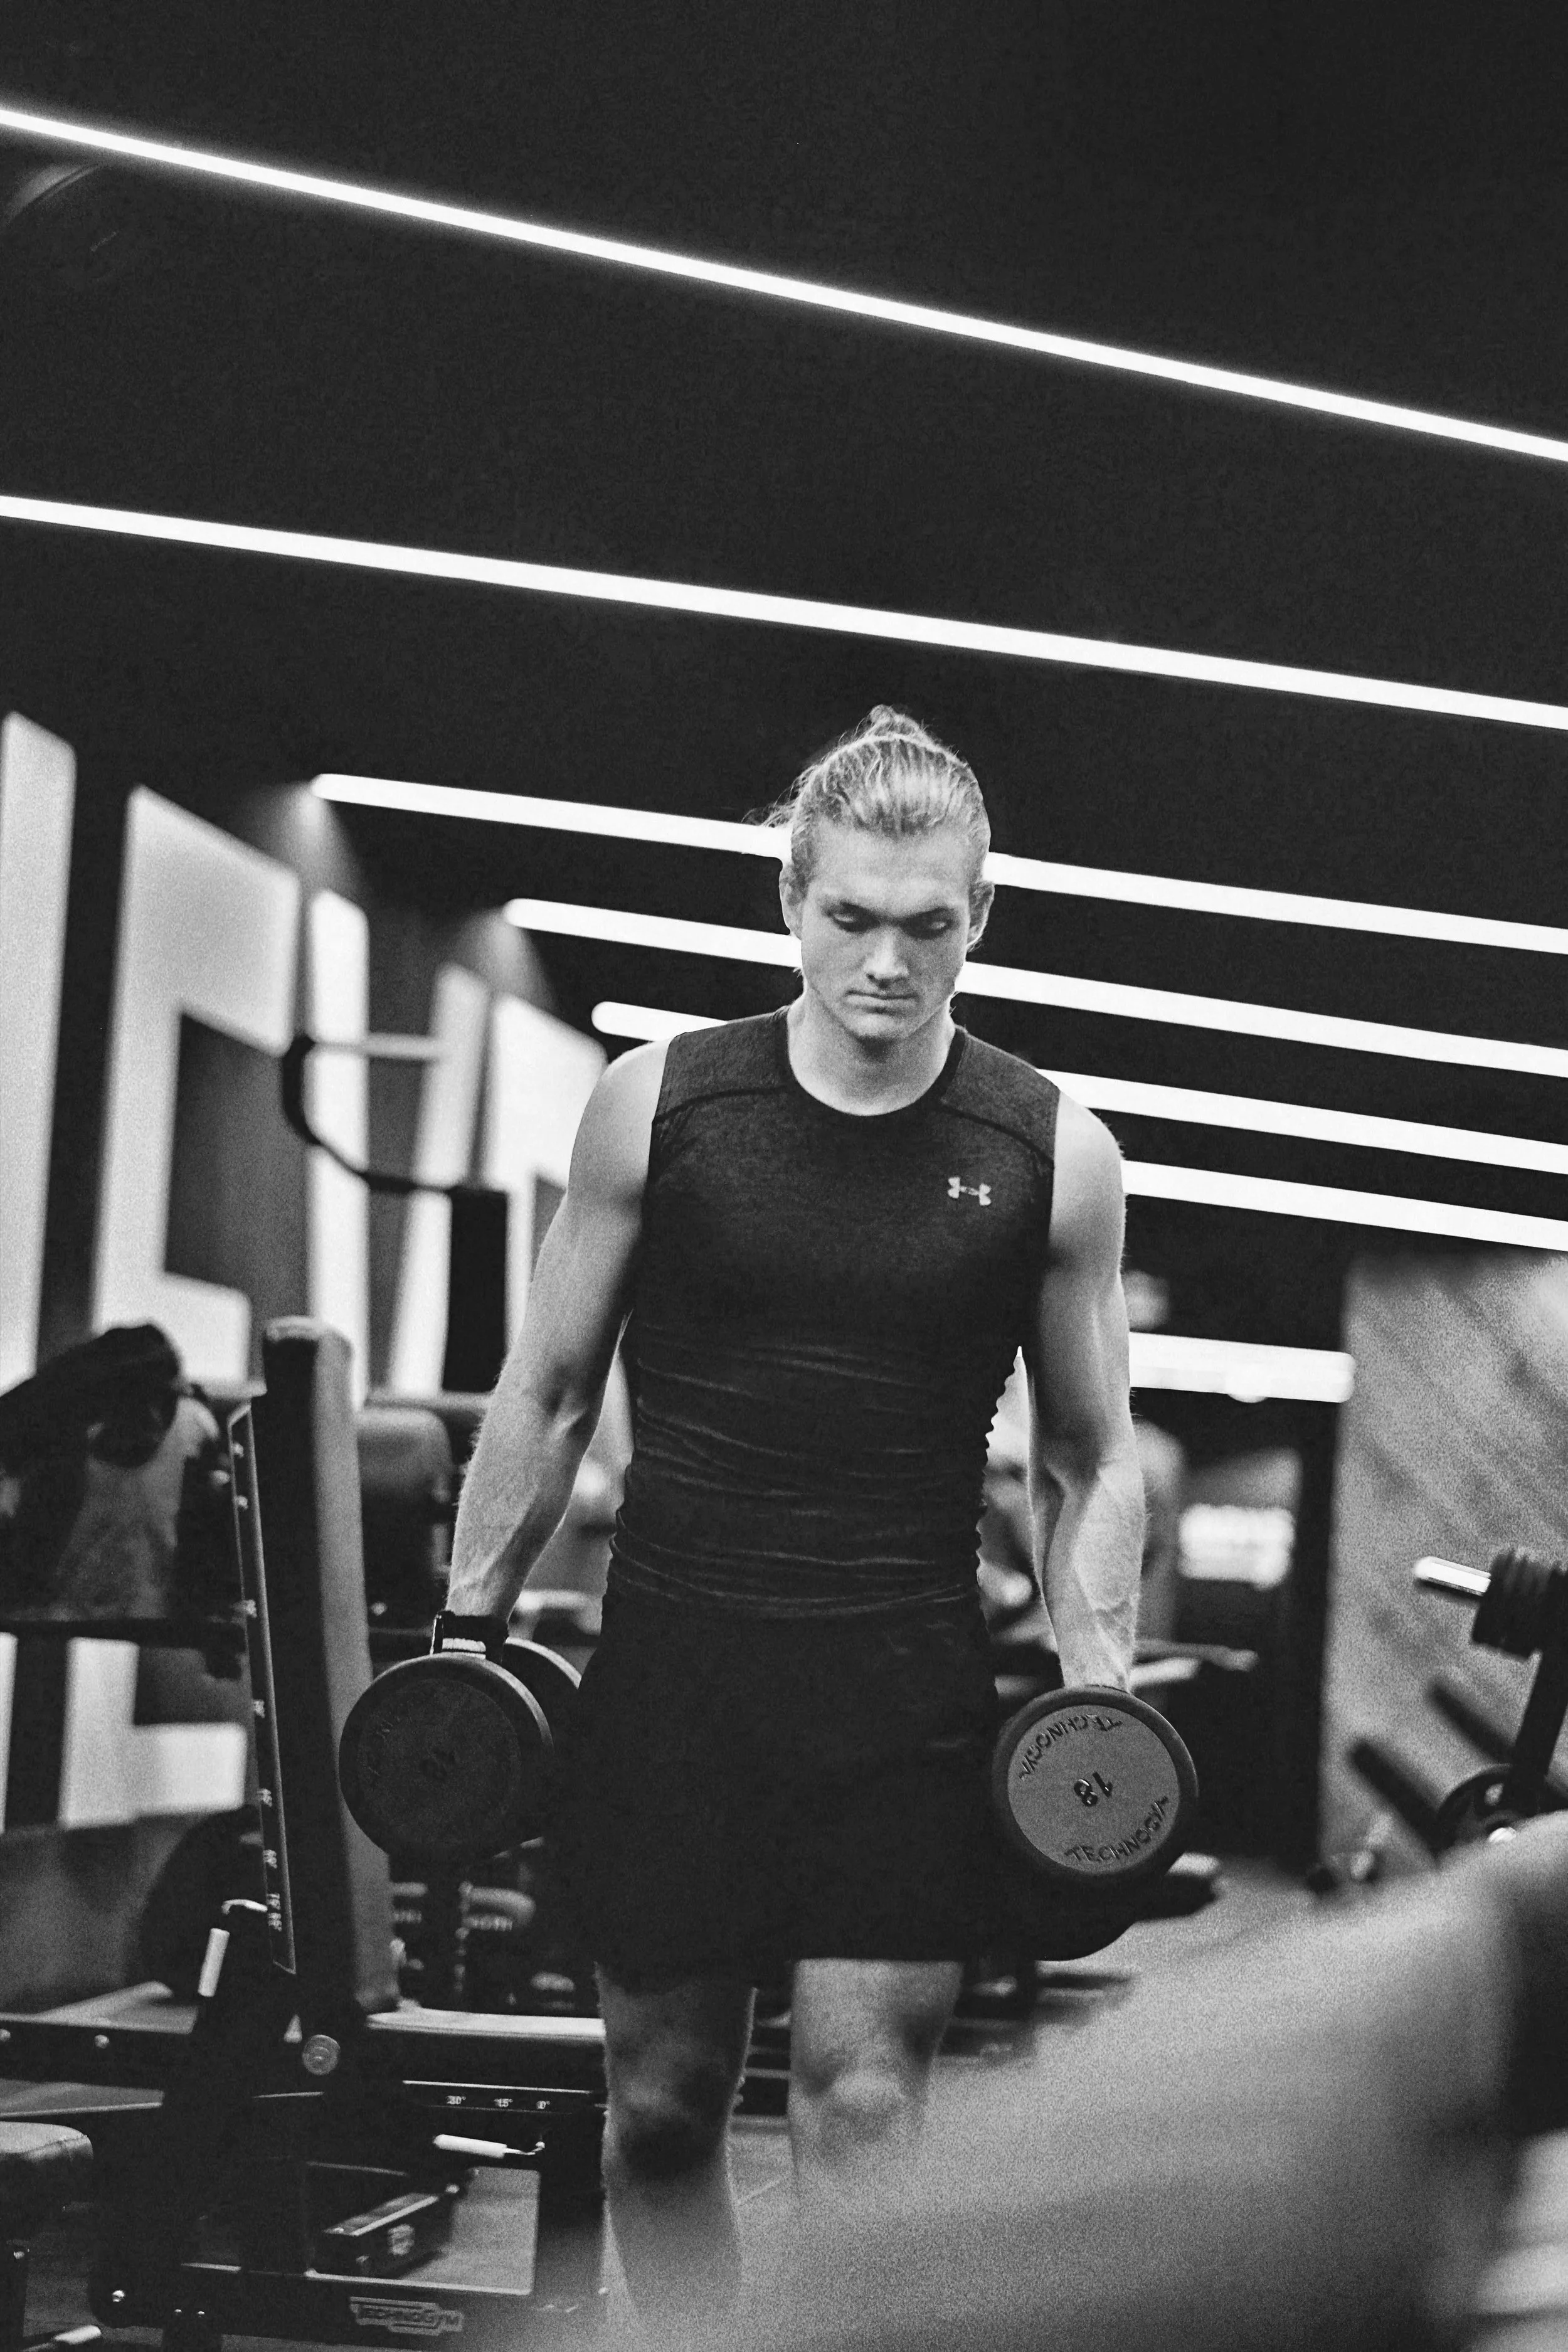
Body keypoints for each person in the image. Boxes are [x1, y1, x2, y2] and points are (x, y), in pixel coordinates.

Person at [444, 706, 1145, 2338]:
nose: (887, 961)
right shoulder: (659, 1105)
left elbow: (1088, 1453)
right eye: (851, 917)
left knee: (862, 2109)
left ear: (978, 916)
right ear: (790, 905)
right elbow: (544, 1387)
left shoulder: (1050, 1150)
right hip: (674, 1681)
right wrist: (465, 1626)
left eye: (927, 924)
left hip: (896, 1692)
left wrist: (1092, 1660)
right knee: (666, 2113)